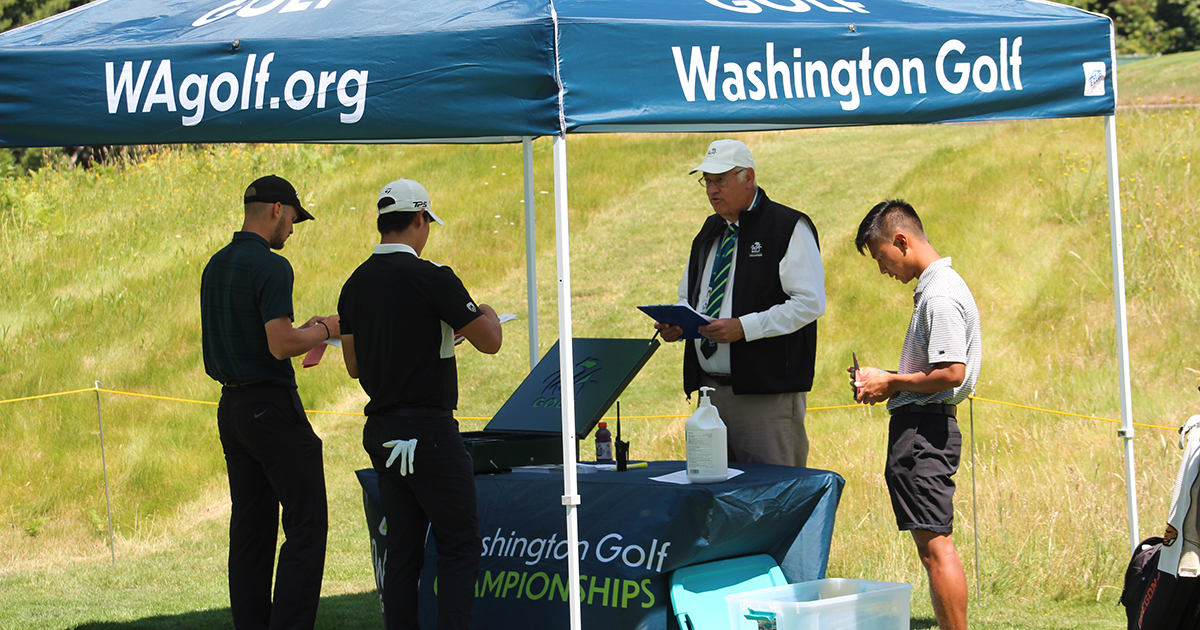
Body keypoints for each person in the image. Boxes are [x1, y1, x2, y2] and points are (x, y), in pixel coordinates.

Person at [337, 178, 502, 630]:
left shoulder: (354, 284)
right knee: (459, 546)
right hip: (429, 432)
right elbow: (490, 342)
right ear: (418, 219)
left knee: (402, 551)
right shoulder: (433, 277)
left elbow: (354, 364)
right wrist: (484, 311)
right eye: (427, 222)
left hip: (383, 431)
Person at [200, 174, 340, 630]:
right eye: (295, 218)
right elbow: (280, 343)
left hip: (231, 408)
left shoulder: (215, 265)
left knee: (251, 532)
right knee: (306, 526)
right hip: (270, 406)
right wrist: (326, 329)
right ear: (278, 209)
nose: (294, 230)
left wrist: (308, 333)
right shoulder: (272, 266)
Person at [851, 199, 981, 630]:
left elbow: (950, 372)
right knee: (933, 543)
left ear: (901, 240)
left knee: (935, 546)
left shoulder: (939, 295)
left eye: (881, 256)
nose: (882, 268)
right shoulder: (936, 288)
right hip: (926, 426)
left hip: (924, 431)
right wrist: (887, 381)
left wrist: (892, 382)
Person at [654, 139, 825, 468]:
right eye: (707, 180)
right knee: (714, 499)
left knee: (773, 499)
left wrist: (744, 328)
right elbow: (688, 296)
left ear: (749, 178)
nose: (712, 190)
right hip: (710, 397)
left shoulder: (787, 226)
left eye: (721, 179)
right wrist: (679, 323)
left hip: (765, 399)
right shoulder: (710, 230)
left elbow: (810, 303)